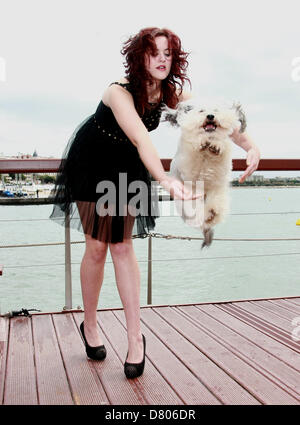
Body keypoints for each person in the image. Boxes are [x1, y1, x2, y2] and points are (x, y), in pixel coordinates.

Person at [50, 27, 260, 379]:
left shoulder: (172, 93)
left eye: (168, 53)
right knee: (97, 247)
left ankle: (135, 339)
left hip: (128, 166)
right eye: (154, 52)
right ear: (139, 58)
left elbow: (214, 117)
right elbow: (138, 135)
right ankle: (90, 326)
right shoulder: (117, 92)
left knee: (121, 247)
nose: (162, 59)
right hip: (92, 161)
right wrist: (166, 179)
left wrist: (250, 146)